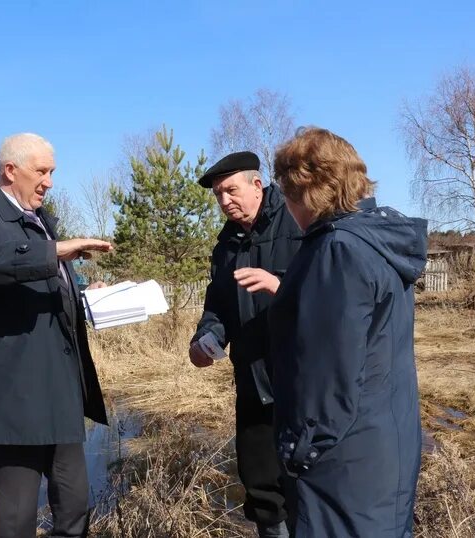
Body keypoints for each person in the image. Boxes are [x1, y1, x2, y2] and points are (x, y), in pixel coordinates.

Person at [0, 133, 113, 538]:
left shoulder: (43, 221)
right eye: (42, 171)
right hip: (12, 401)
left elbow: (44, 286)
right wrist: (55, 250)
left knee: (74, 507)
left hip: (60, 392)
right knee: (14, 519)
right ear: (11, 170)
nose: (50, 181)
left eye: (52, 172)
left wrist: (81, 295)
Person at [269, 127, 426, 536]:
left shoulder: (336, 250)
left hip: (342, 462)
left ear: (304, 190)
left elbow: (326, 377)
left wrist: (296, 454)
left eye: (287, 193)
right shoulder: (377, 240)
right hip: (383, 441)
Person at [189, 151, 301, 537]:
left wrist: (280, 288)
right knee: (262, 491)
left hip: (303, 384)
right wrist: (205, 339)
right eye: (218, 195)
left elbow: (334, 291)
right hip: (253, 384)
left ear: (257, 185)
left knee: (307, 488)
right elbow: (218, 306)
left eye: (230, 190)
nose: (224, 202)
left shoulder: (299, 221)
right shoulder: (226, 247)